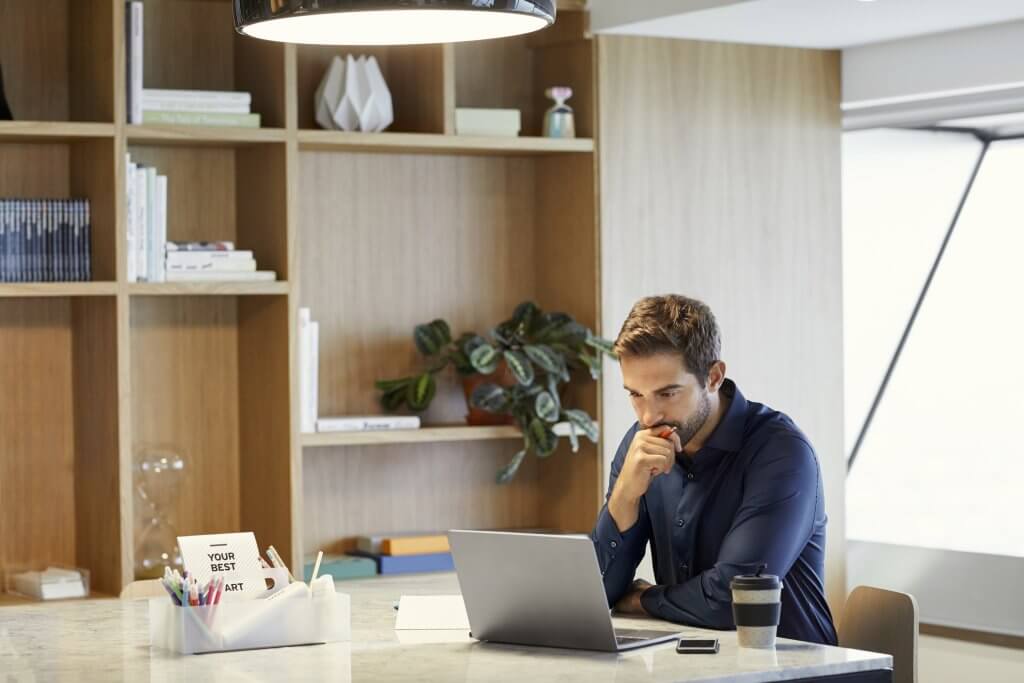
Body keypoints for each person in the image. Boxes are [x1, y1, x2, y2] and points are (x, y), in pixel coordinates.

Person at [591, 294, 838, 645]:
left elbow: (733, 601)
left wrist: (644, 599)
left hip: (793, 668)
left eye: (667, 393)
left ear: (713, 376)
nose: (648, 416)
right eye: (636, 395)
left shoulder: (782, 454)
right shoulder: (641, 447)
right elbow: (598, 592)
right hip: (694, 663)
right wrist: (625, 497)